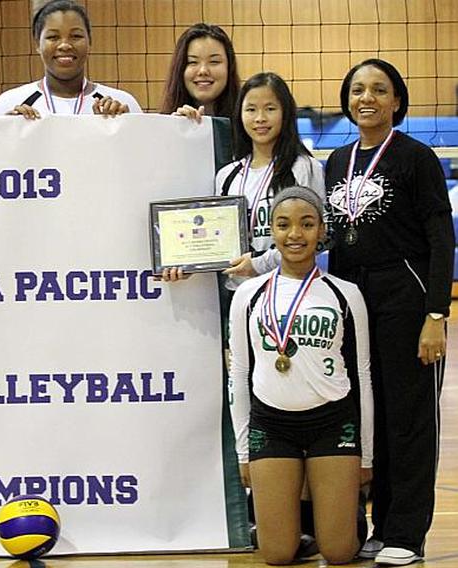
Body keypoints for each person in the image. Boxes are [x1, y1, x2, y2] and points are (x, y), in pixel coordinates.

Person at [325, 59, 453, 566]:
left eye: (379, 89)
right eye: (357, 89)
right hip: (354, 297)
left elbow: (442, 240)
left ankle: (406, 533)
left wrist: (436, 315)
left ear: (397, 100)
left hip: (407, 295)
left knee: (409, 416)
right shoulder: (337, 160)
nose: (367, 98)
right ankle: (372, 525)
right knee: (363, 415)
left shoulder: (416, 158)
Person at [228, 186, 373, 565]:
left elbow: (363, 374)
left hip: (332, 421)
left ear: (321, 230)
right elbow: (239, 374)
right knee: (277, 555)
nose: (295, 234)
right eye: (284, 225)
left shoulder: (345, 293)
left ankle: (341, 516)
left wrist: (367, 455)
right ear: (271, 233)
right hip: (271, 424)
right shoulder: (248, 293)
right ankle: (298, 524)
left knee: (339, 552)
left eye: (307, 224)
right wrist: (243, 450)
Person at [217, 72, 324, 282]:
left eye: (270, 109)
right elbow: (216, 238)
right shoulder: (227, 175)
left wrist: (258, 264)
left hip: (289, 287)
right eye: (251, 109)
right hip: (237, 292)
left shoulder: (305, 168)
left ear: (285, 113)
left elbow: (320, 237)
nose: (260, 118)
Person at [0, 0, 142, 118]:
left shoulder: (121, 103)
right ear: (37, 45)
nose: (65, 45)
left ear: (90, 43)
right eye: (53, 37)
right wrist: (7, 131)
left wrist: (125, 127)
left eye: (76, 36)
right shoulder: (8, 104)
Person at [159, 22, 240, 121]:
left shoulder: (246, 123)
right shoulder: (164, 124)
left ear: (229, 67)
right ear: (180, 69)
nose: (203, 71)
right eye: (193, 62)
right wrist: (174, 128)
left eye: (214, 61)